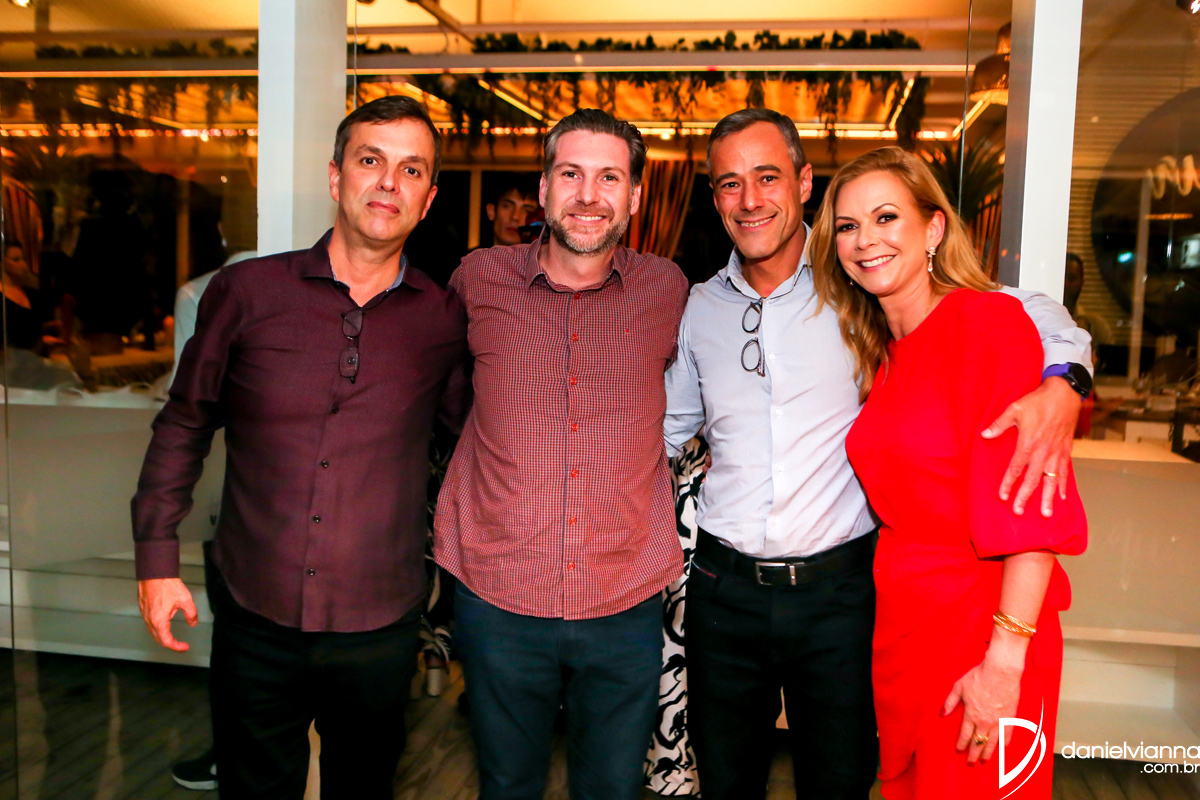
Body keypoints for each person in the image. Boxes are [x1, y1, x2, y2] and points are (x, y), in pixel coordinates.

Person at [662, 110, 1094, 800]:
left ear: (803, 183)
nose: (750, 199)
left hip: (861, 600)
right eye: (729, 184)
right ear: (713, 198)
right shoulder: (730, 308)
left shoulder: (875, 297)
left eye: (768, 177)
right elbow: (664, 427)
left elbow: (1023, 311)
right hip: (750, 597)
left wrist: (1066, 378)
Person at [131, 95, 469, 799]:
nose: (389, 182)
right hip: (254, 614)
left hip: (380, 623)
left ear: (429, 199)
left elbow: (477, 439)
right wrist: (157, 558)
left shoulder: (443, 320)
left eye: (411, 170)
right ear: (336, 176)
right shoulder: (248, 291)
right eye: (370, 160)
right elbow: (184, 422)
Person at [815, 146, 1087, 798]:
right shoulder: (887, 353)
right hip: (909, 635)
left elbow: (1030, 511)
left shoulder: (984, 325)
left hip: (982, 635)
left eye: (886, 217)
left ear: (933, 228)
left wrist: (1004, 663)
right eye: (848, 226)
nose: (866, 239)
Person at [435, 108, 688, 800]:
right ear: (544, 189)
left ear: (635, 196)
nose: (588, 194)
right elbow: (446, 399)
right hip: (499, 592)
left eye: (609, 177)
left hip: (624, 597)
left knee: (612, 789)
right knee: (506, 784)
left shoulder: (667, 290)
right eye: (571, 174)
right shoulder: (478, 279)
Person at [486, 176, 540, 246]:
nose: (515, 217)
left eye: (527, 211)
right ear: (491, 211)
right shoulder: (473, 253)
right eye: (507, 206)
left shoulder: (544, 253)